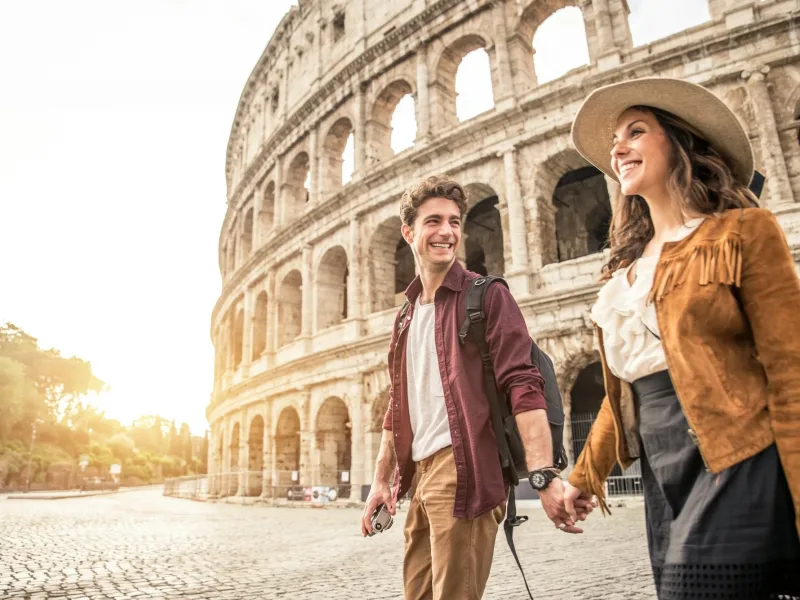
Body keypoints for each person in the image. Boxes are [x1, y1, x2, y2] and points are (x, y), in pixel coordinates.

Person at [563, 77, 800, 598]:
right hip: (662, 463)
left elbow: (791, 370)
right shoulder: (624, 272)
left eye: (636, 131)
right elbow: (625, 390)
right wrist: (584, 476)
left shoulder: (743, 232)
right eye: (614, 141)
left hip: (738, 454)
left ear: (680, 140)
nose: (618, 148)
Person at [360, 175, 589, 599]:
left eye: (454, 221)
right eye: (433, 222)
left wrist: (543, 474)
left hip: (463, 469)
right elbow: (398, 406)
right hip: (421, 475)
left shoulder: (487, 296)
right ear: (408, 232)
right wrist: (381, 482)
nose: (446, 232)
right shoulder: (406, 317)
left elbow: (524, 385)